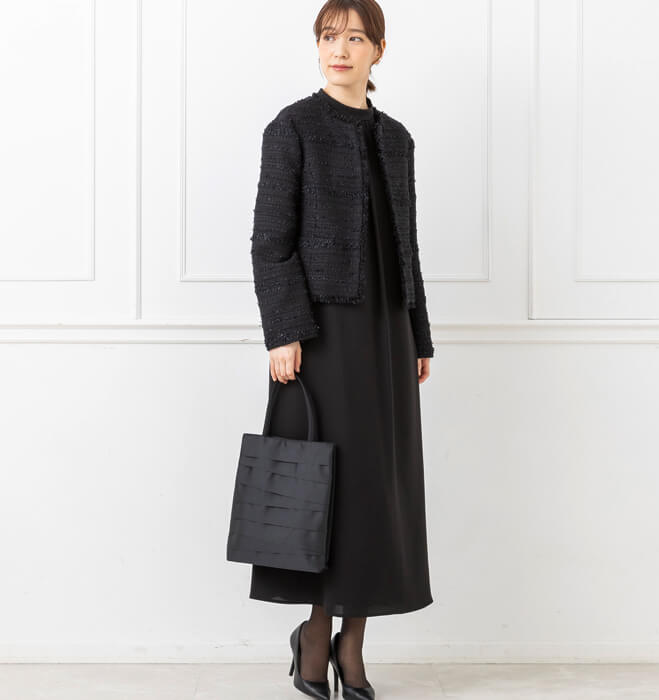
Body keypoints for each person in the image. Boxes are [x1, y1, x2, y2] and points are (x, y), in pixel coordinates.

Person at [248, 2, 434, 698]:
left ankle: (351, 642)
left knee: (378, 490)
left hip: (387, 334)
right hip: (322, 336)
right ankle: (316, 634)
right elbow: (271, 241)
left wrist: (418, 335)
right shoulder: (292, 127)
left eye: (355, 37)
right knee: (331, 488)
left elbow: (407, 247)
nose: (341, 49)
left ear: (378, 50)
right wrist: (283, 330)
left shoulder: (397, 139)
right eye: (330, 36)